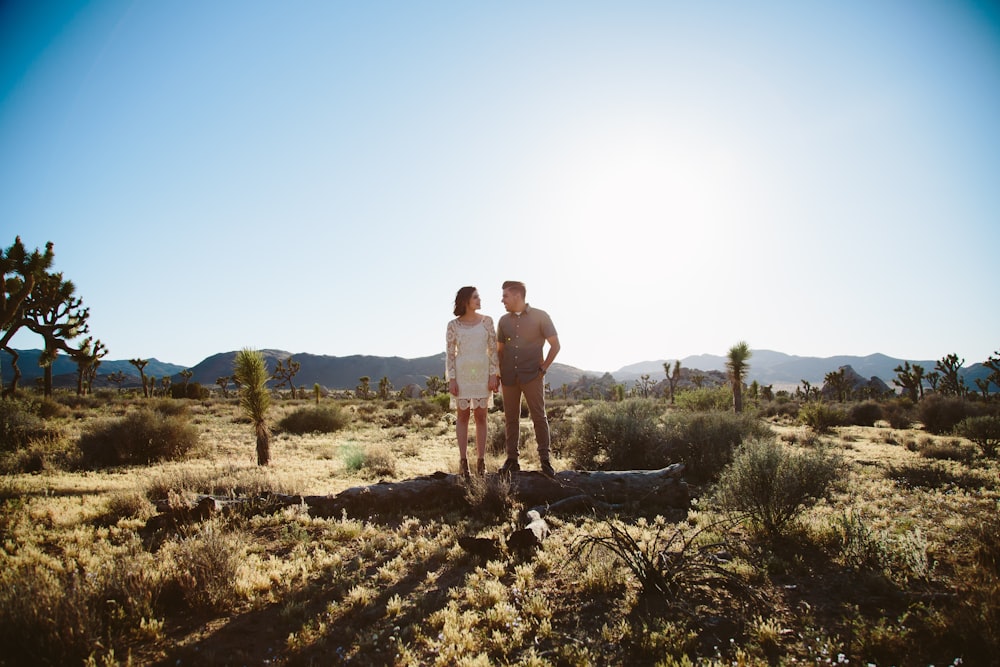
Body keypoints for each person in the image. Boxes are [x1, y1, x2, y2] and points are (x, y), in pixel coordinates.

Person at [496, 280, 560, 477]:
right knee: (510, 419)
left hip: (532, 375)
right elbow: (500, 350)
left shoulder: (541, 316)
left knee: (539, 417)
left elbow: (555, 345)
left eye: (505, 296)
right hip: (508, 377)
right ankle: (512, 460)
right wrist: (499, 373)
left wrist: (543, 368)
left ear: (517, 296)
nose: (502, 300)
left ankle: (545, 460)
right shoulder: (503, 321)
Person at [445, 286, 499, 478]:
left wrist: (493, 375)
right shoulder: (453, 325)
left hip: (483, 374)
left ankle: (481, 461)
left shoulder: (487, 322)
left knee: (481, 416)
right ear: (466, 301)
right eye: (476, 297)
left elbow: (493, 350)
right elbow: (450, 355)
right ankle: (463, 461)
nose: (479, 300)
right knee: (462, 417)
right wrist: (452, 379)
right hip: (462, 375)